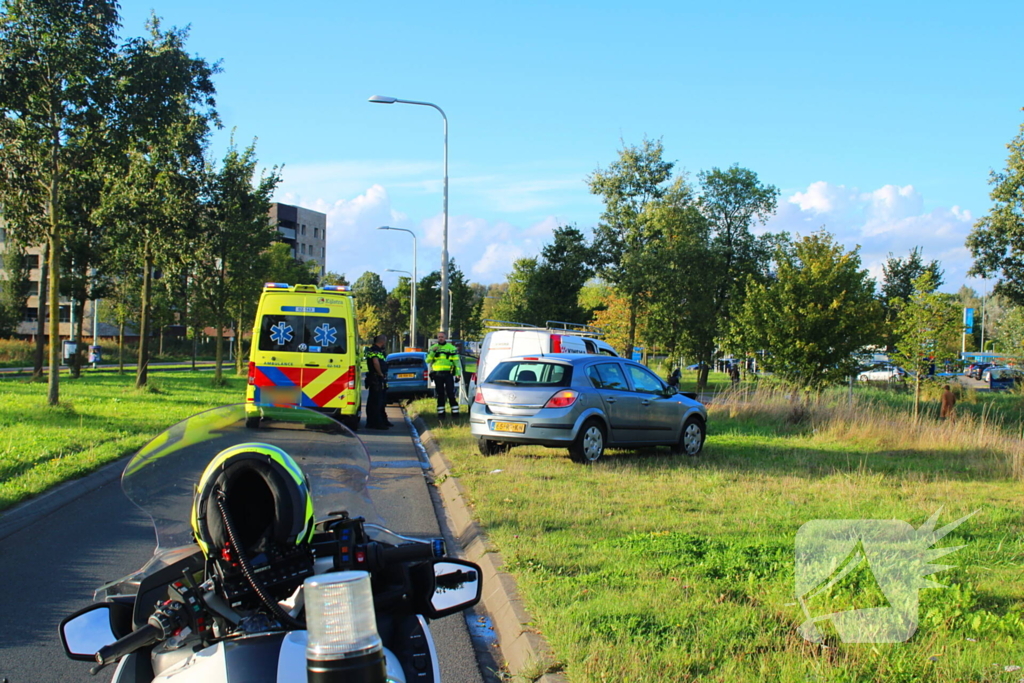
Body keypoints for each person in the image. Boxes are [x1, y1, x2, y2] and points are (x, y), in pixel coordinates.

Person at [427, 331, 463, 420]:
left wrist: (458, 374)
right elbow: (427, 360)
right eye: (439, 337)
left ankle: (455, 414)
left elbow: (456, 362)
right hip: (437, 374)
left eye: (442, 337)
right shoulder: (432, 348)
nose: (440, 338)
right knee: (440, 394)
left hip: (448, 373)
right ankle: (441, 415)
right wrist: (433, 352)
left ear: (445, 338)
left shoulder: (451, 348)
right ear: (437, 338)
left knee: (451, 393)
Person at [363, 334, 391, 429]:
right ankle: (375, 423)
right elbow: (375, 362)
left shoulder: (378, 350)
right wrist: (380, 374)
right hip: (376, 379)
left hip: (378, 379)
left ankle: (383, 420)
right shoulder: (374, 350)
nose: (385, 344)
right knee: (376, 402)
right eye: (385, 342)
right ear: (382, 341)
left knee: (381, 401)